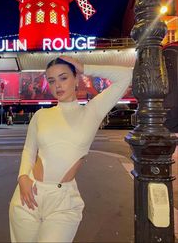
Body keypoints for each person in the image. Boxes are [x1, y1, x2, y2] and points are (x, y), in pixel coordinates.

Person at [9, 55, 133, 243]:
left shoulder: (92, 111)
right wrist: (23, 177)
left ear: (76, 79)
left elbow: (126, 76)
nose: (57, 85)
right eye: (51, 81)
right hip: (28, 194)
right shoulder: (41, 115)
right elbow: (29, 150)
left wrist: (84, 67)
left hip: (62, 202)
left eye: (63, 77)